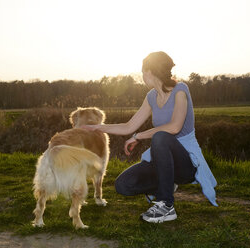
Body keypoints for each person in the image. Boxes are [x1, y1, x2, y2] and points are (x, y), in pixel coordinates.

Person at [82, 51, 218, 223]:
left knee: (160, 137)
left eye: (142, 72)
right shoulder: (151, 97)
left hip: (186, 163)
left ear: (149, 72)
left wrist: (139, 136)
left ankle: (166, 204)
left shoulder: (180, 90)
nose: (142, 77)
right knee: (123, 184)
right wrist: (97, 128)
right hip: (162, 160)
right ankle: (167, 184)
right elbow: (128, 126)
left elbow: (174, 127)